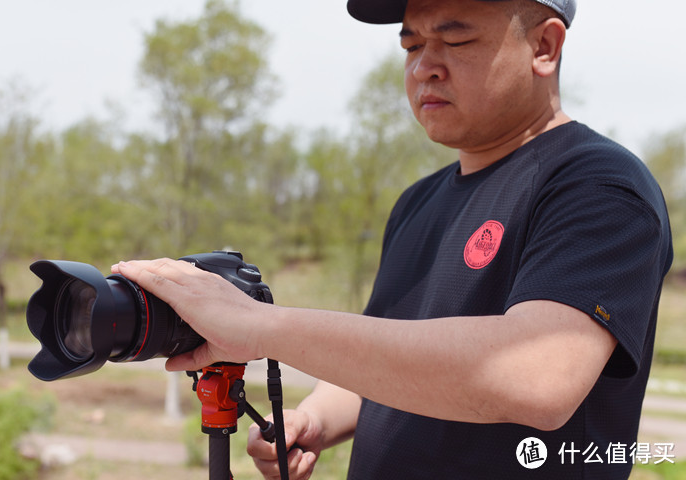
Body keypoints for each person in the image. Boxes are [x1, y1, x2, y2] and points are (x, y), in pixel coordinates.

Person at [111, 0, 673, 477]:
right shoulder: (418, 202)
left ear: (544, 47)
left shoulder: (595, 185)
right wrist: (316, 419)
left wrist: (261, 328)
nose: (425, 66)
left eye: (456, 39)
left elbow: (536, 377)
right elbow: (389, 354)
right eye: (411, 46)